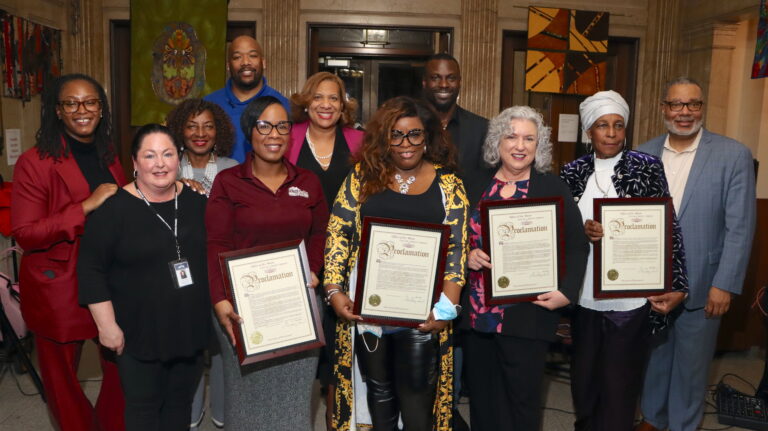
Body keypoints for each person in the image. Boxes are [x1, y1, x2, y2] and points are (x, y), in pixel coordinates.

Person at [324, 96, 468, 431]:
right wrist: (333, 289)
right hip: (369, 308)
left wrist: (448, 307)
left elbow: (458, 246)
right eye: (396, 135)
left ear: (427, 136)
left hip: (422, 310)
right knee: (379, 391)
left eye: (414, 134)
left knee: (417, 394)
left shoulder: (449, 184)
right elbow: (338, 235)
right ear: (383, 138)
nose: (406, 144)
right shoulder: (361, 177)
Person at [559, 90, 689, 431]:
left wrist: (677, 284)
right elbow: (557, 231)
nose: (612, 133)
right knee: (584, 383)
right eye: (603, 125)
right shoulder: (571, 172)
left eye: (618, 125)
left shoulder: (646, 168)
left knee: (620, 385)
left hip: (629, 298)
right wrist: (580, 231)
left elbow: (667, 226)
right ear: (589, 131)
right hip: (584, 294)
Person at [635, 77, 756, 431]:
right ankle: (652, 421)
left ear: (702, 108)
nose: (684, 112)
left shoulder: (733, 154)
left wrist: (725, 284)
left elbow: (741, 227)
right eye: (676, 104)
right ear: (663, 108)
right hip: (652, 281)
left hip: (705, 284)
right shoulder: (643, 153)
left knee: (691, 366)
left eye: (693, 104)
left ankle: (684, 425)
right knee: (654, 358)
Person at [10, 73, 126, 431]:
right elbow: (26, 234)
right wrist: (84, 206)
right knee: (62, 381)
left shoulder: (108, 153)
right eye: (71, 103)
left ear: (101, 109)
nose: (82, 110)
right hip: (59, 284)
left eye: (91, 102)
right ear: (57, 111)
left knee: (123, 364)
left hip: (109, 277)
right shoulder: (35, 161)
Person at [206, 96, 329, 430]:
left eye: (282, 126)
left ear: (290, 133)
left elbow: (320, 232)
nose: (273, 134)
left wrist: (314, 270)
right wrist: (220, 301)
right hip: (243, 308)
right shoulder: (229, 182)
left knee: (293, 397)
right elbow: (216, 243)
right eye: (264, 125)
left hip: (298, 306)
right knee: (246, 395)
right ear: (251, 131)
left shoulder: (307, 182)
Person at [77, 124, 210, 430]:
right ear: (135, 163)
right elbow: (91, 269)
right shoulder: (112, 210)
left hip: (187, 326)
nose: (160, 163)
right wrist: (106, 326)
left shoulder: (197, 201)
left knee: (180, 404)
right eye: (149, 155)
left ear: (179, 159)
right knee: (143, 409)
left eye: (167, 154)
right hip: (137, 331)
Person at [464, 106, 589, 431]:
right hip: (478, 314)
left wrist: (567, 292)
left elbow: (577, 245)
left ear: (539, 145)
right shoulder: (475, 183)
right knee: (481, 399)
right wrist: (467, 254)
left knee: (521, 404)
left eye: (529, 138)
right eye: (512, 136)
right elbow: (454, 235)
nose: (520, 146)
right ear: (498, 142)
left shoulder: (553, 188)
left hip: (529, 312)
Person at [288, 71, 364, 430]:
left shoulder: (358, 141)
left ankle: (337, 422)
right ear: (306, 101)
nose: (326, 105)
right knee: (298, 346)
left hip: (346, 258)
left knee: (338, 348)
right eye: (318, 97)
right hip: (295, 256)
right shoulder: (287, 138)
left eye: (334, 98)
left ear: (343, 104)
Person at [422, 55, 493, 424]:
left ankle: (448, 408)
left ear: (460, 81)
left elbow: (491, 190)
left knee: (456, 325)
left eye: (450, 78)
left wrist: (472, 245)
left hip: (466, 247)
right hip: (417, 242)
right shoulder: (411, 125)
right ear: (425, 83)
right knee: (419, 323)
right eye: (436, 78)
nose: (443, 84)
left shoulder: (482, 129)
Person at [165, 98, 237, 429]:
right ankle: (189, 416)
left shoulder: (232, 168)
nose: (200, 133)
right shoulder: (167, 166)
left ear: (218, 130)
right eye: (192, 125)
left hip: (223, 268)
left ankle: (223, 413)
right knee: (187, 344)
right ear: (180, 129)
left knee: (225, 345)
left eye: (208, 125)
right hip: (180, 270)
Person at [205, 35, 290, 163]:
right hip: (217, 181)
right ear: (228, 66)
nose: (245, 62)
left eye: (253, 55)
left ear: (263, 62)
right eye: (237, 57)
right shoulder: (209, 104)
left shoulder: (281, 105)